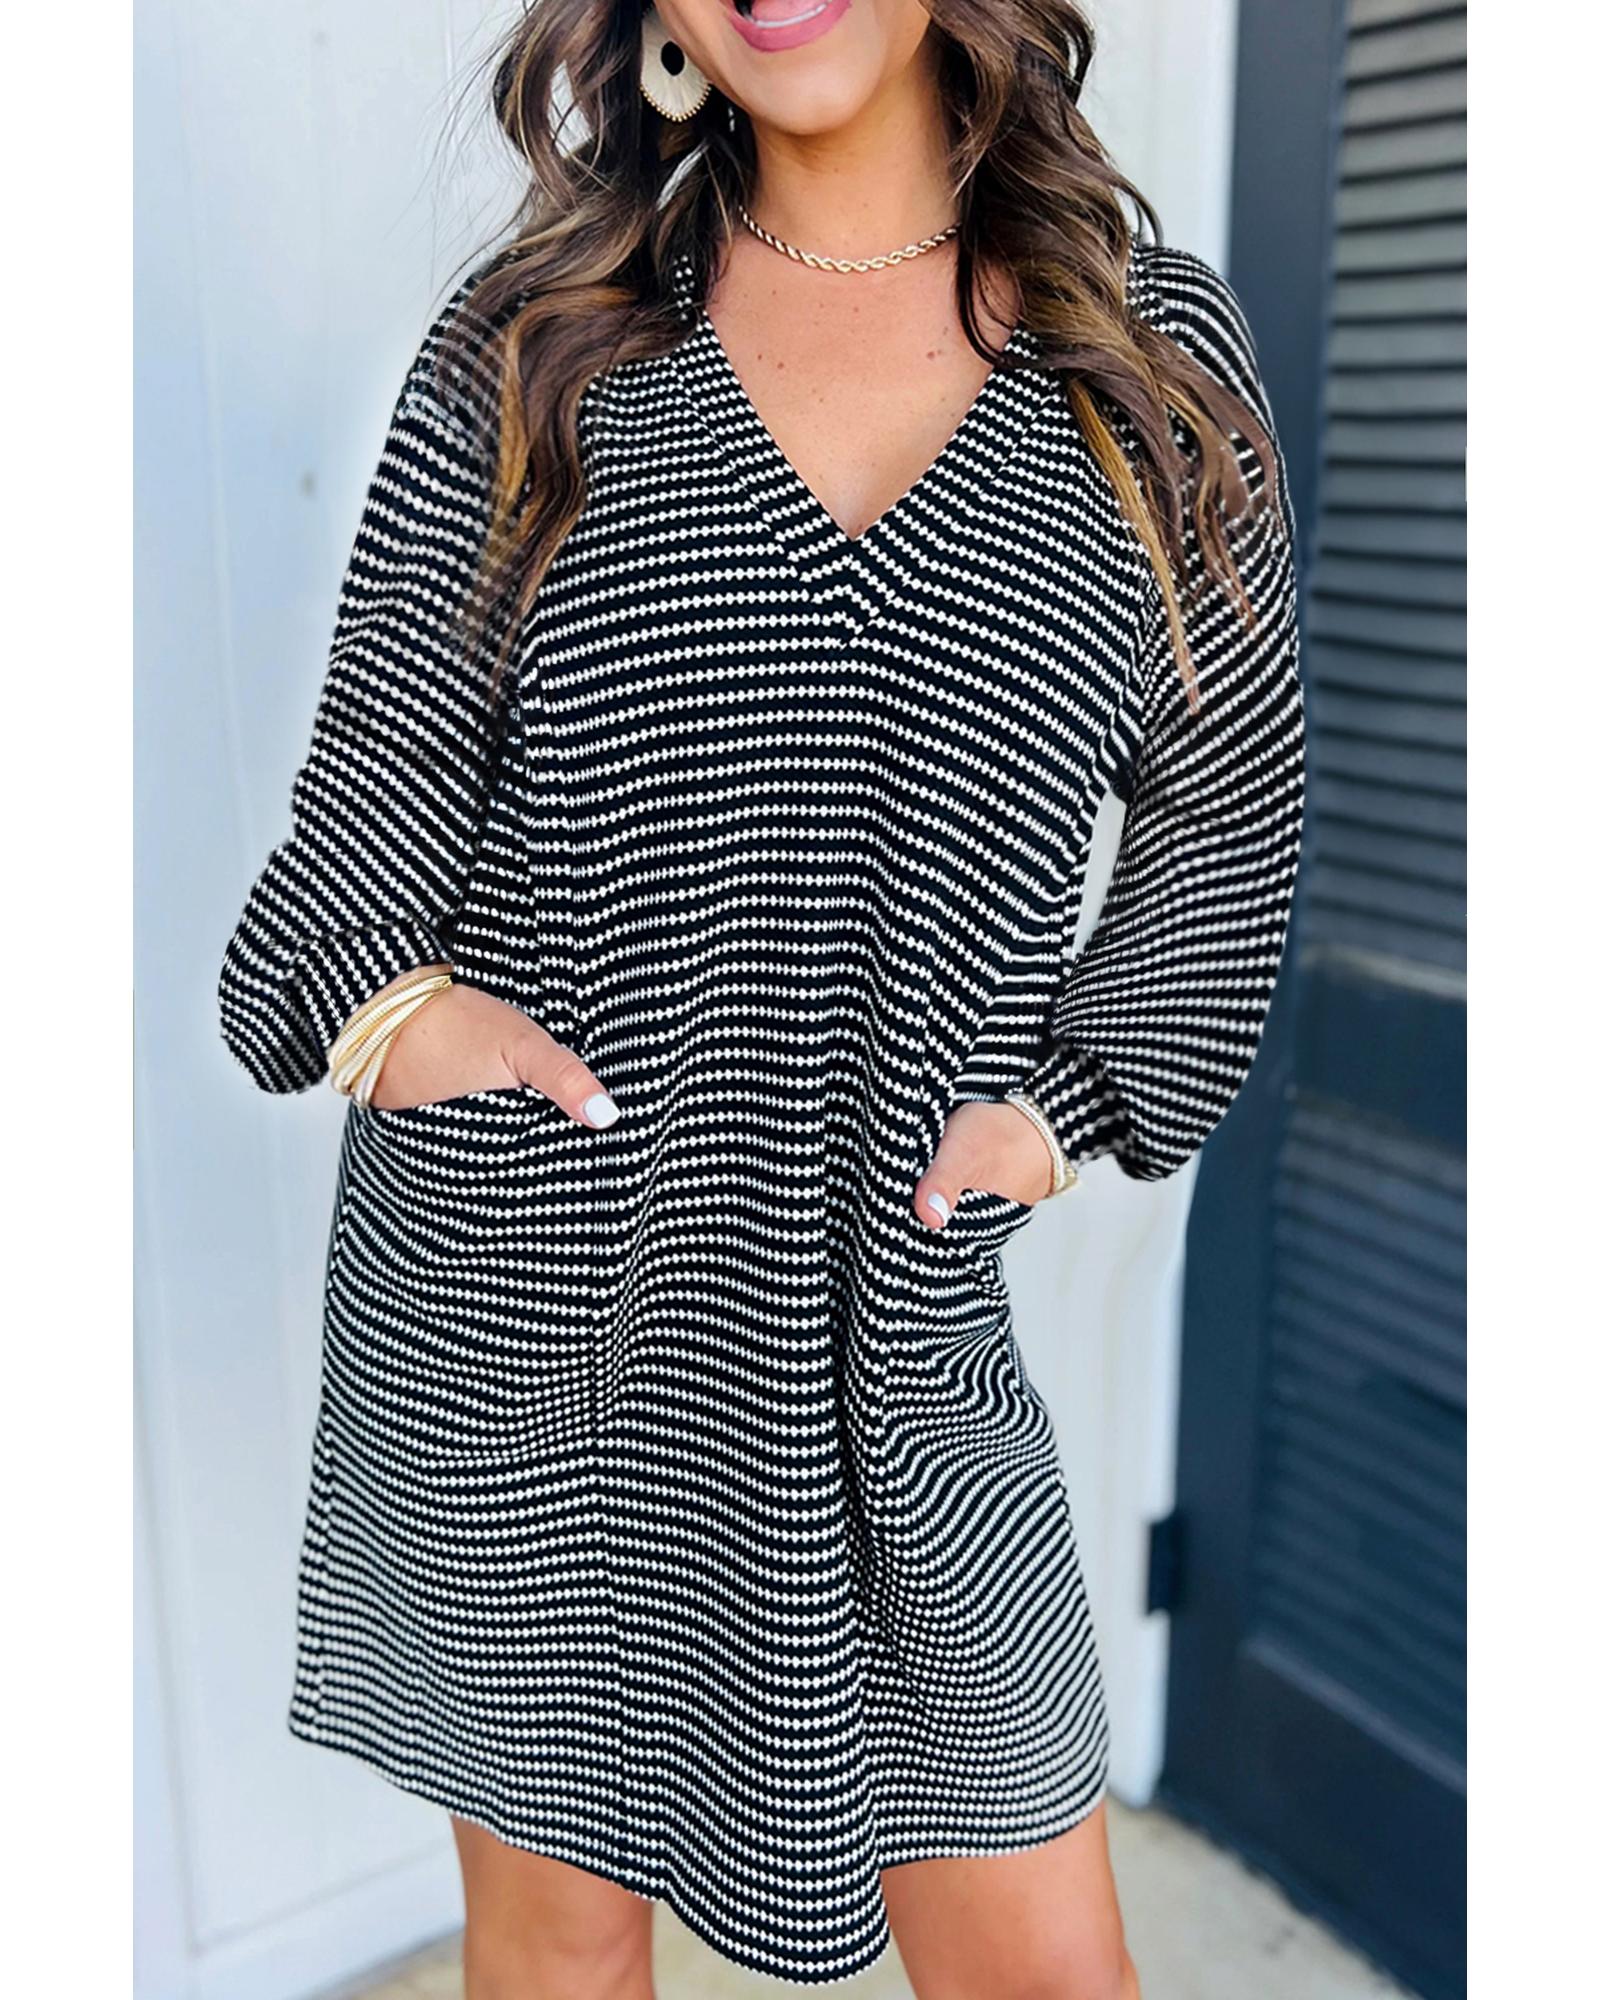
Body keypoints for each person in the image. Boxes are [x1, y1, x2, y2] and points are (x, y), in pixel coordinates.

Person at [217, 3, 1307, 1994]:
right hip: (540, 1302)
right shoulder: (540, 339)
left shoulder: (1138, 351)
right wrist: (396, 1020)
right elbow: (368, 810)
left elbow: (1224, 815)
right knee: (560, 1954)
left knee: (1046, 1972)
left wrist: (1072, 1101)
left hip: (893, 1313)